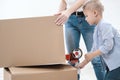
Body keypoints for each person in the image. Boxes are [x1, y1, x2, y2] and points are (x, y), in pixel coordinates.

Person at [55, 0, 105, 80]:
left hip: (88, 18)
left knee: (95, 59)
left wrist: (67, 12)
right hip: (70, 21)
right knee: (72, 59)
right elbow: (64, 1)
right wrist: (59, 15)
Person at [76, 0, 120, 80]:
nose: (85, 19)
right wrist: (83, 63)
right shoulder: (96, 29)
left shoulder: (105, 25)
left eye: (86, 16)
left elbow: (108, 45)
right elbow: (94, 49)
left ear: (95, 13)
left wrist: (92, 55)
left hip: (117, 64)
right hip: (111, 66)